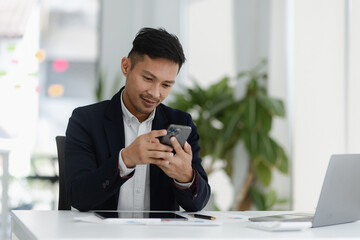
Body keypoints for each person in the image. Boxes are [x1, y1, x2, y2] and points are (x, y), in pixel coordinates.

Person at [64, 27, 211, 212]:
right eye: (148, 78)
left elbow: (198, 203)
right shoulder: (86, 121)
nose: (155, 93)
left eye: (166, 85)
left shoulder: (182, 123)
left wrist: (186, 177)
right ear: (126, 66)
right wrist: (125, 160)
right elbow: (78, 197)